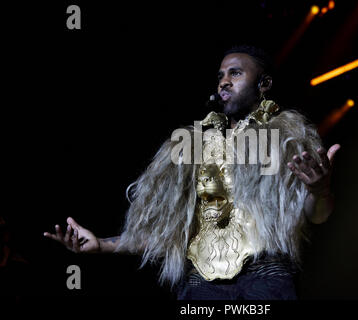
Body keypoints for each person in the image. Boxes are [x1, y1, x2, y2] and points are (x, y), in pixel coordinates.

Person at [43, 45, 340, 300]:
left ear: (263, 83)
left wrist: (319, 190)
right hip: (202, 284)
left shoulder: (286, 138)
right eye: (221, 75)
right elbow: (168, 233)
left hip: (266, 279)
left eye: (235, 73)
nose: (224, 82)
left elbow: (317, 215)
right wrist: (103, 246)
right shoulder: (190, 145)